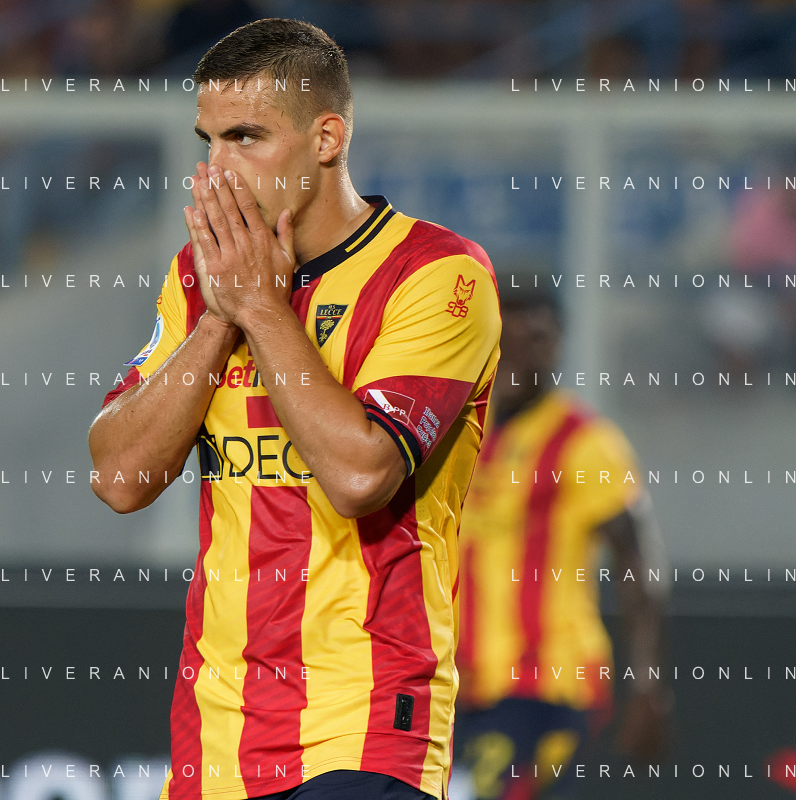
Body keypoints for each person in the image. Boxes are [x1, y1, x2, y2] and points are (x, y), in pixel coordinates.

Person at [87, 18, 500, 800]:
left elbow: (358, 475)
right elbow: (119, 477)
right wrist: (220, 319)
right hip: (216, 737)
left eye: (246, 137)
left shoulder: (437, 275)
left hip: (366, 721)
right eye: (208, 141)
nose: (218, 169)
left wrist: (258, 308)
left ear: (326, 138)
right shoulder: (199, 279)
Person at [451, 282, 670, 800]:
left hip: (545, 685)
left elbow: (638, 560)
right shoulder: (459, 433)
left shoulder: (585, 442)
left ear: (557, 348)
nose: (517, 354)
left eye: (535, 339)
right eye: (505, 338)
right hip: (459, 686)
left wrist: (648, 683)